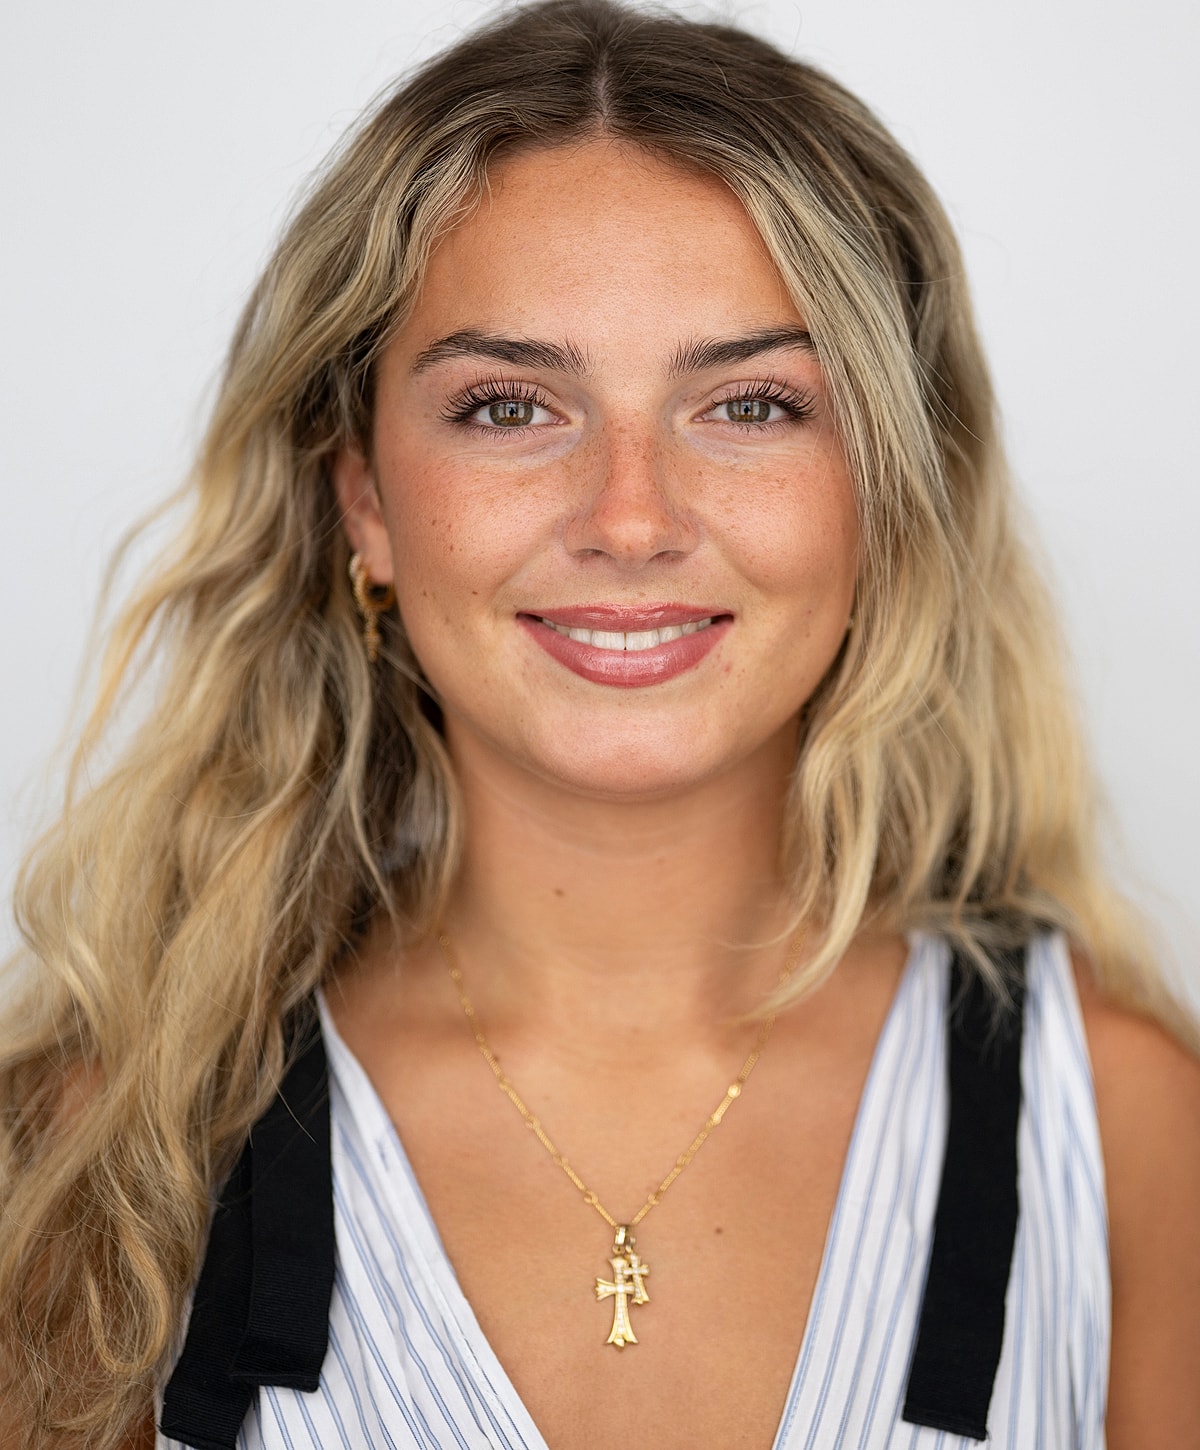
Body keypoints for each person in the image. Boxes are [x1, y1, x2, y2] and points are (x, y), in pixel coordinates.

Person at [2, 1, 1198, 1445]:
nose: (631, 519)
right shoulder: (91, 1162)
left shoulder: (1130, 1133)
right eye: (510, 406)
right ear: (364, 500)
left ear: (889, 487)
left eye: (752, 403)